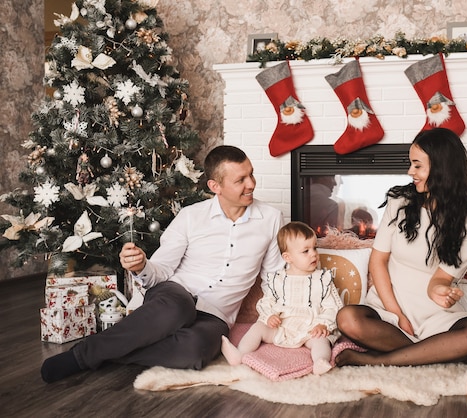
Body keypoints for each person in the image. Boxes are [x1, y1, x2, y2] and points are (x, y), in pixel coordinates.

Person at [40, 145, 284, 383]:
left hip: (217, 315)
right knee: (178, 309)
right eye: (241, 179)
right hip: (176, 295)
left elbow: (274, 276)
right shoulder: (191, 216)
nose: (251, 184)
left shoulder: (271, 219)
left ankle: (110, 351)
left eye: (251, 174)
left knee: (195, 351)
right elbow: (162, 269)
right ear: (215, 186)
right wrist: (140, 266)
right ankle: (83, 356)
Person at [335, 128, 467, 367]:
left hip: (435, 317)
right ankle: (441, 353)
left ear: (441, 168)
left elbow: (441, 278)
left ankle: (378, 360)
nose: (411, 172)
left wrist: (439, 291)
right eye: (411, 164)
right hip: (388, 308)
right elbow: (377, 262)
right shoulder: (399, 202)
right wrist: (397, 314)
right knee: (348, 319)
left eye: (417, 165)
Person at [221, 221, 343, 375]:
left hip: (309, 328)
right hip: (282, 326)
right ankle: (239, 353)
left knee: (321, 340)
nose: (313, 254)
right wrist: (270, 315)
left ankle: (320, 361)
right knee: (258, 327)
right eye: (305, 251)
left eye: (315, 248)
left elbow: (333, 307)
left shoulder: (322, 279)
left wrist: (322, 324)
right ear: (288, 257)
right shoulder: (278, 279)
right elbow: (267, 301)